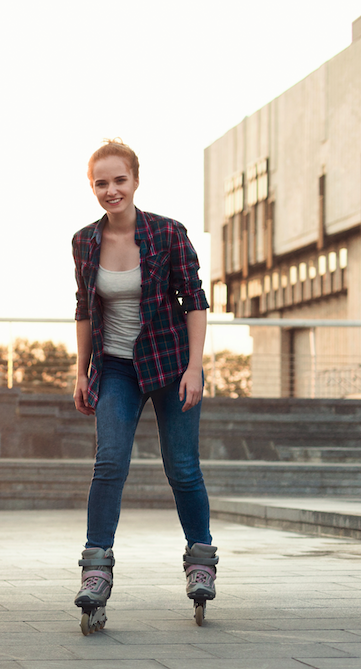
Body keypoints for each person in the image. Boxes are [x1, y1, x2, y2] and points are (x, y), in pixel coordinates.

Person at [71, 139, 217, 633]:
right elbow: (86, 309)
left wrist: (195, 367)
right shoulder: (85, 241)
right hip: (116, 366)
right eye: (100, 183)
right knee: (110, 461)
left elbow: (195, 300)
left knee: (182, 467)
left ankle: (200, 560)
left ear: (135, 180)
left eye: (119, 180)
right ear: (92, 187)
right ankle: (95, 569)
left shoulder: (168, 234)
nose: (110, 190)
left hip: (171, 362)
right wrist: (82, 369)